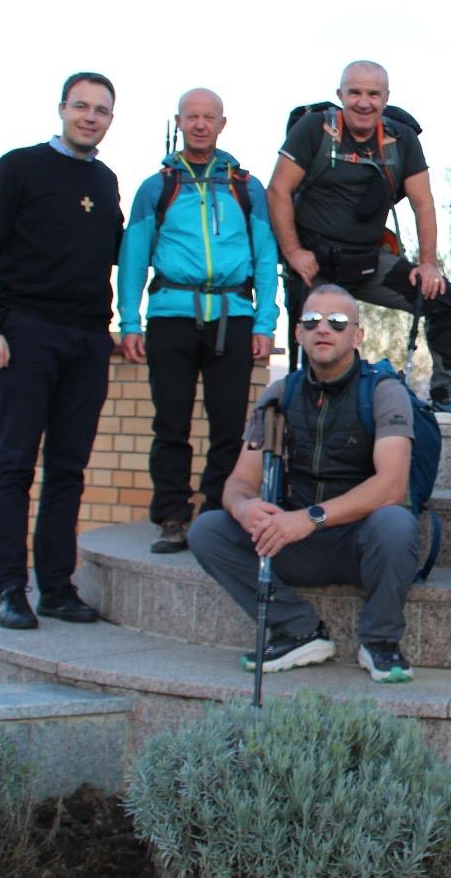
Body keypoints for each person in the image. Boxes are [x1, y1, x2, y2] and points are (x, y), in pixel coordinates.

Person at [188, 285, 423, 682]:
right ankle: (298, 629)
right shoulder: (280, 393)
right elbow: (239, 481)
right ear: (298, 333)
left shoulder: (384, 391)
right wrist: (244, 508)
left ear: (357, 335)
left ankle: (380, 641)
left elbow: (391, 486)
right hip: (293, 540)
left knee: (397, 523)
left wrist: (309, 518)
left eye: (337, 322)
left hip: (358, 541)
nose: (323, 329)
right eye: (312, 321)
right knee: (207, 530)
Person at [0, 72, 123, 630]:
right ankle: (11, 589)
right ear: (62, 109)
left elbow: (120, 250)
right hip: (28, 331)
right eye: (81, 106)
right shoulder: (19, 166)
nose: (90, 117)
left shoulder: (105, 181)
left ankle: (56, 587)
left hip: (88, 339)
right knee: (14, 465)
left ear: (110, 119)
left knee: (68, 470)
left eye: (101, 110)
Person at [268, 60, 451, 417]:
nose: (363, 102)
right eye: (355, 93)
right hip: (315, 266)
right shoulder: (314, 129)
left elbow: (423, 203)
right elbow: (278, 190)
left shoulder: (401, 140)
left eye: (373, 94)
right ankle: (312, 410)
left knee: (441, 296)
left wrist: (428, 265)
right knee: (319, 331)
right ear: (340, 94)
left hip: (369, 261)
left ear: (386, 98)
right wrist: (294, 252)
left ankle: (449, 393)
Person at [117, 88, 278, 553]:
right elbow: (133, 257)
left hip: (233, 314)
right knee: (171, 423)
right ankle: (172, 515)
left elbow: (265, 257)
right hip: (172, 314)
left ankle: (215, 512)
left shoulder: (246, 187)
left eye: (209, 117)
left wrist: (265, 322)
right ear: (180, 122)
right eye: (192, 117)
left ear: (222, 124)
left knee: (228, 424)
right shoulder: (157, 187)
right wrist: (130, 322)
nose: (201, 125)